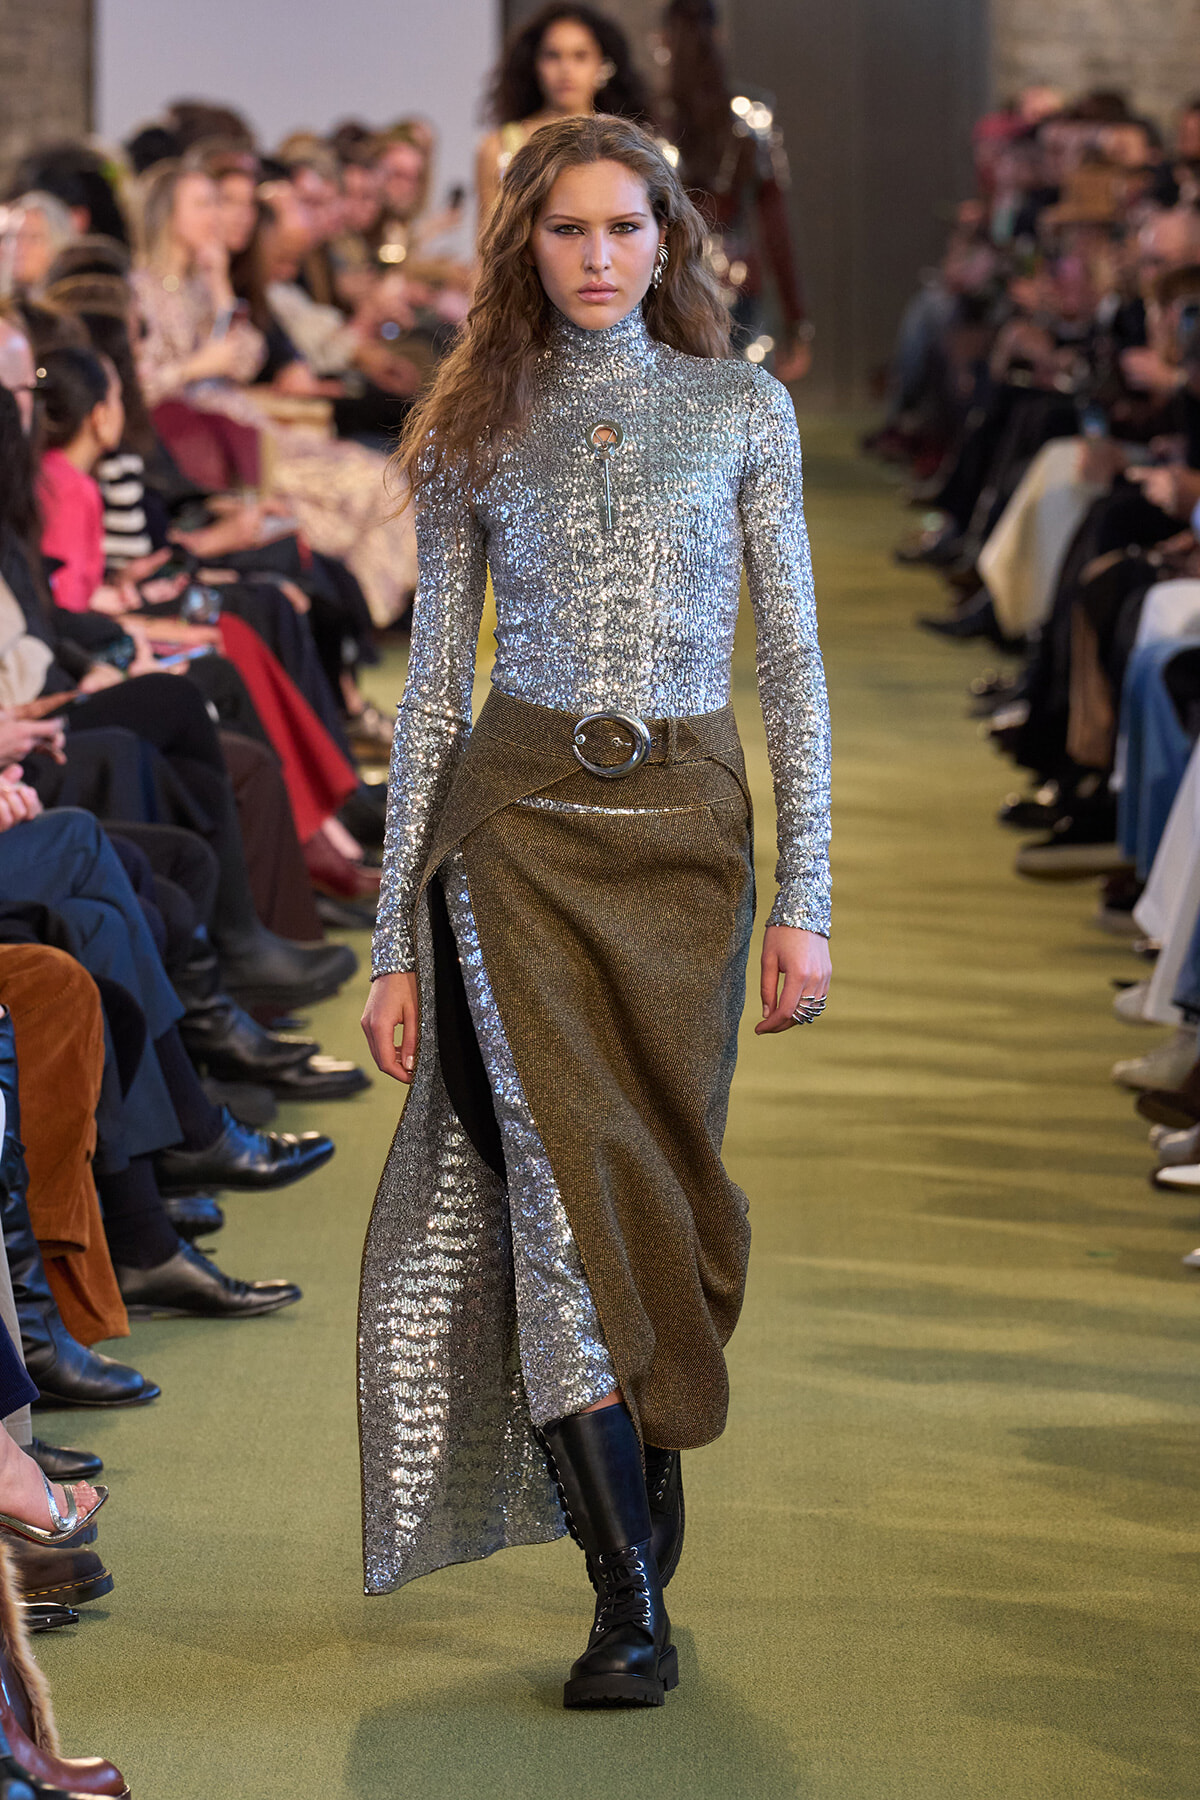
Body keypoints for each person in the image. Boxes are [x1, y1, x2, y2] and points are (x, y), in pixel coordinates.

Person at [358, 114, 831, 1709]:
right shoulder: (471, 420)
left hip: (689, 839)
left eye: (626, 227)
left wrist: (809, 896)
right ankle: (626, 1596)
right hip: (514, 836)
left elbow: (792, 666)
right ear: (525, 245)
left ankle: (640, 1425)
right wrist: (391, 938)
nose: (600, 256)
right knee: (557, 1199)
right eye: (567, 229)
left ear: (670, 237)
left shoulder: (741, 408)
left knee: (656, 1192)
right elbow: (433, 692)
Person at [656, 0, 813, 380]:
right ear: (720, 36)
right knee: (744, 404)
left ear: (662, 41)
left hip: (665, 284)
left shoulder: (646, 117)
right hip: (737, 285)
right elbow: (775, 228)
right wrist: (797, 323)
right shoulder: (752, 116)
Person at [476, 5, 649, 231]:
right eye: (553, 56)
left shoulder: (628, 145)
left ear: (604, 65)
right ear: (535, 65)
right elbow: (488, 243)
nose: (566, 69)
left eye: (580, 56)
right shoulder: (497, 149)